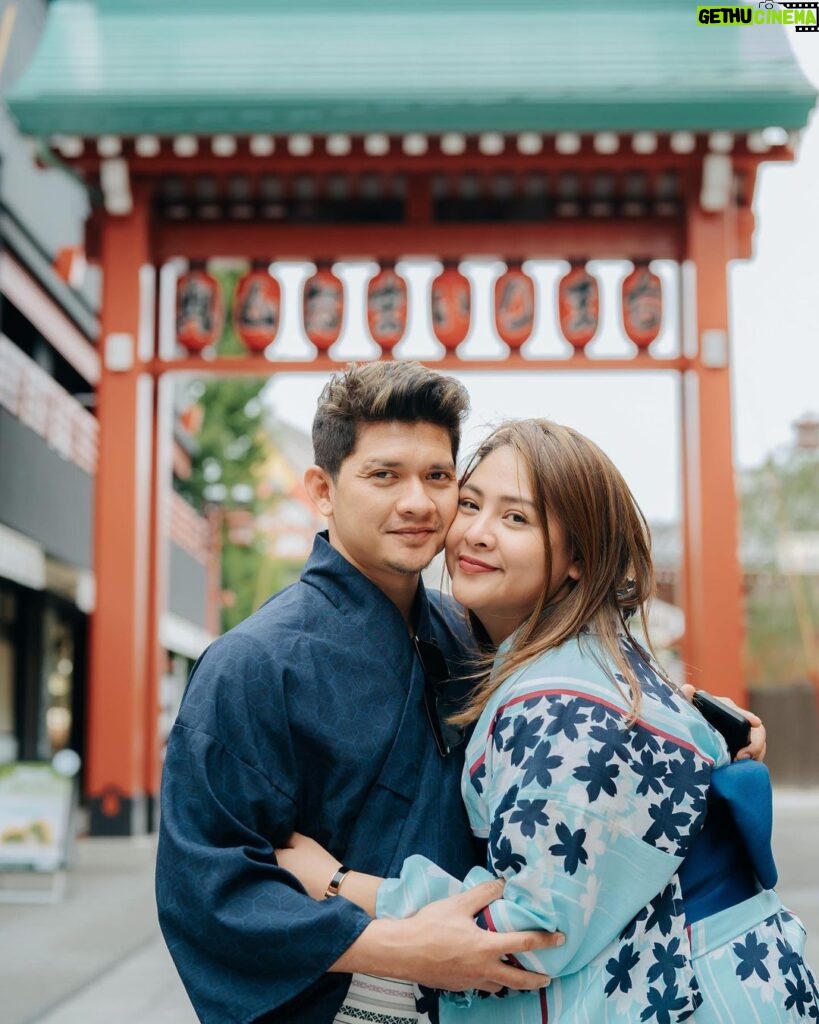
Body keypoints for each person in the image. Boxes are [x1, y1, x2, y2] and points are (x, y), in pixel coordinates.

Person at [277, 419, 813, 1023]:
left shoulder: (564, 704)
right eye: (472, 504)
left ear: (579, 559)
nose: (476, 533)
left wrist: (339, 884)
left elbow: (529, 933)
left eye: (516, 519)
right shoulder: (585, 664)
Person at [155, 363, 564, 1024]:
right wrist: (403, 949)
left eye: (437, 476)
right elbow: (207, 888)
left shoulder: (470, 636)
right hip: (350, 1000)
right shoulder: (252, 664)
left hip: (480, 998)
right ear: (321, 489)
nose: (418, 502)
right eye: (384, 475)